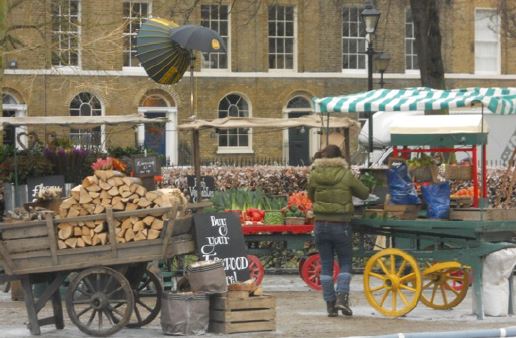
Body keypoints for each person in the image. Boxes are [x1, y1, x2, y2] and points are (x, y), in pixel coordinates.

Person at [307, 145, 369, 317]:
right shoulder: (345, 174)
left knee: (326, 265)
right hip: (341, 225)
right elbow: (364, 193)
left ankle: (330, 305)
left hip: (320, 224)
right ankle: (342, 298)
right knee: (346, 262)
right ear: (340, 158)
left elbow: (311, 196)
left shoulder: (314, 174)